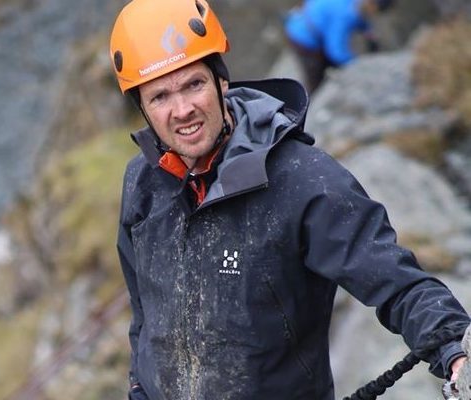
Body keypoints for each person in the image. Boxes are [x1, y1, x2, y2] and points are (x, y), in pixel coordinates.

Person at [110, 0, 469, 398]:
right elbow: (145, 311)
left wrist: (455, 349)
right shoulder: (142, 183)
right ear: (142, 108)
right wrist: (139, 387)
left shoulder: (301, 180)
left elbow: (395, 280)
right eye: (160, 96)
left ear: (221, 82)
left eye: (194, 84)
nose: (183, 109)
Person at [283, 0, 393, 94]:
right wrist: (356, 64)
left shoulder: (354, 6)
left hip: (305, 19)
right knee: (316, 81)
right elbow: (336, 52)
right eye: (375, 11)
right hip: (303, 38)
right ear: (372, 5)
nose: (373, 15)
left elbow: (360, 18)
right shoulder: (345, 14)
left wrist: (368, 32)